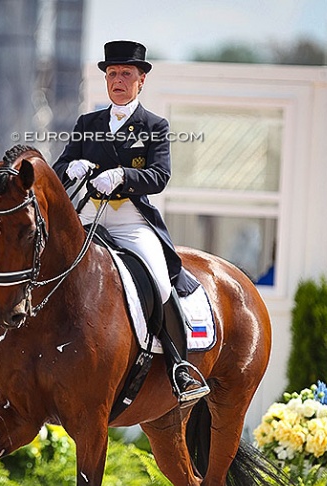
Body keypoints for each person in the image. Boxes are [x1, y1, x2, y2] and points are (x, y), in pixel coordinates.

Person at [52, 40, 210, 404]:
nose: (117, 80)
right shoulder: (87, 122)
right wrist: (69, 168)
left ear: (141, 81)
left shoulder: (153, 125)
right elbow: (61, 167)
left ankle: (177, 365)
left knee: (159, 282)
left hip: (130, 221)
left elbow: (159, 176)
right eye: (111, 74)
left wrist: (123, 175)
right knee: (43, 269)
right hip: (88, 215)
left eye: (125, 74)